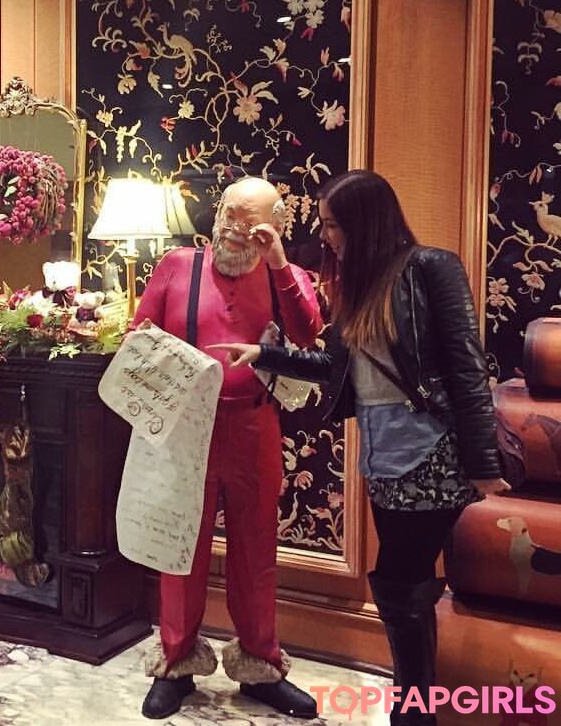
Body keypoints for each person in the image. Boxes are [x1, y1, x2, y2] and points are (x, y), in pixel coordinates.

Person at [211, 170, 508, 726]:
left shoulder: (430, 267)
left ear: (364, 222)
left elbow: (467, 367)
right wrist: (264, 354)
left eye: (332, 225)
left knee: (401, 581)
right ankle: (415, 703)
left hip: (431, 451)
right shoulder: (359, 283)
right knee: (403, 584)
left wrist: (483, 462)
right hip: (381, 452)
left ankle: (412, 710)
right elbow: (336, 366)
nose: (325, 236)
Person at [132, 176, 323, 720]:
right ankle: (175, 664)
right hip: (185, 432)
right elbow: (138, 337)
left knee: (256, 552)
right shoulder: (177, 266)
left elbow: (308, 336)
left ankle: (261, 665)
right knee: (180, 549)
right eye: (229, 213)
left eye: (252, 220)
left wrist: (279, 263)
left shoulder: (289, 276)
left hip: (254, 429)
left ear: (276, 227)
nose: (237, 228)